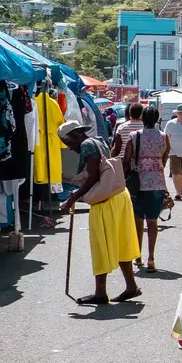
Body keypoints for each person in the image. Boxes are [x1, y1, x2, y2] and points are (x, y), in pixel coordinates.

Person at [57, 119, 141, 306]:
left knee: (101, 244)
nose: (69, 148)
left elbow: (93, 176)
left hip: (106, 200)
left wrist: (72, 199)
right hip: (119, 194)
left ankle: (100, 292)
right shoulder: (97, 141)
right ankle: (131, 286)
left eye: (67, 142)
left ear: (75, 134)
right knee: (121, 243)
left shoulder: (86, 145)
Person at [123, 104, 170, 271]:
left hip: (138, 183)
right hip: (157, 182)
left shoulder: (134, 136)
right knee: (152, 221)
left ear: (142, 118)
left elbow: (126, 160)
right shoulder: (164, 137)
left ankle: (138, 256)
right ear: (157, 119)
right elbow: (164, 159)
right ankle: (151, 258)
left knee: (137, 221)